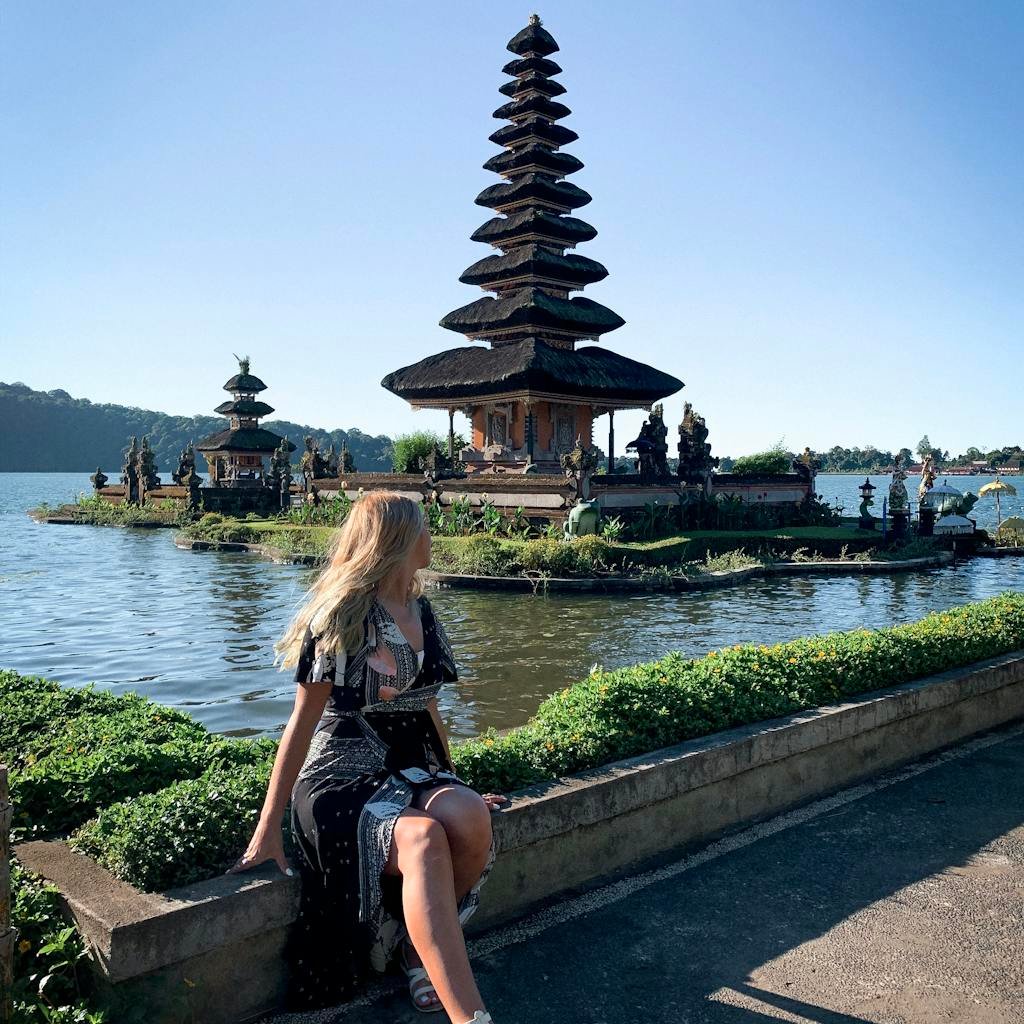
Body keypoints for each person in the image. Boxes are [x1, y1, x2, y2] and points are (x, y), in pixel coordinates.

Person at [228, 491, 506, 1024]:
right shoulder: (340, 618)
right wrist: (268, 828)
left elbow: (429, 712)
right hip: (341, 772)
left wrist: (456, 784)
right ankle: (472, 1017)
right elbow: (300, 725)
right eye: (424, 530)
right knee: (423, 838)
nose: (432, 538)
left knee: (468, 817)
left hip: (411, 762)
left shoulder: (422, 611)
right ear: (398, 541)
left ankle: (412, 950)